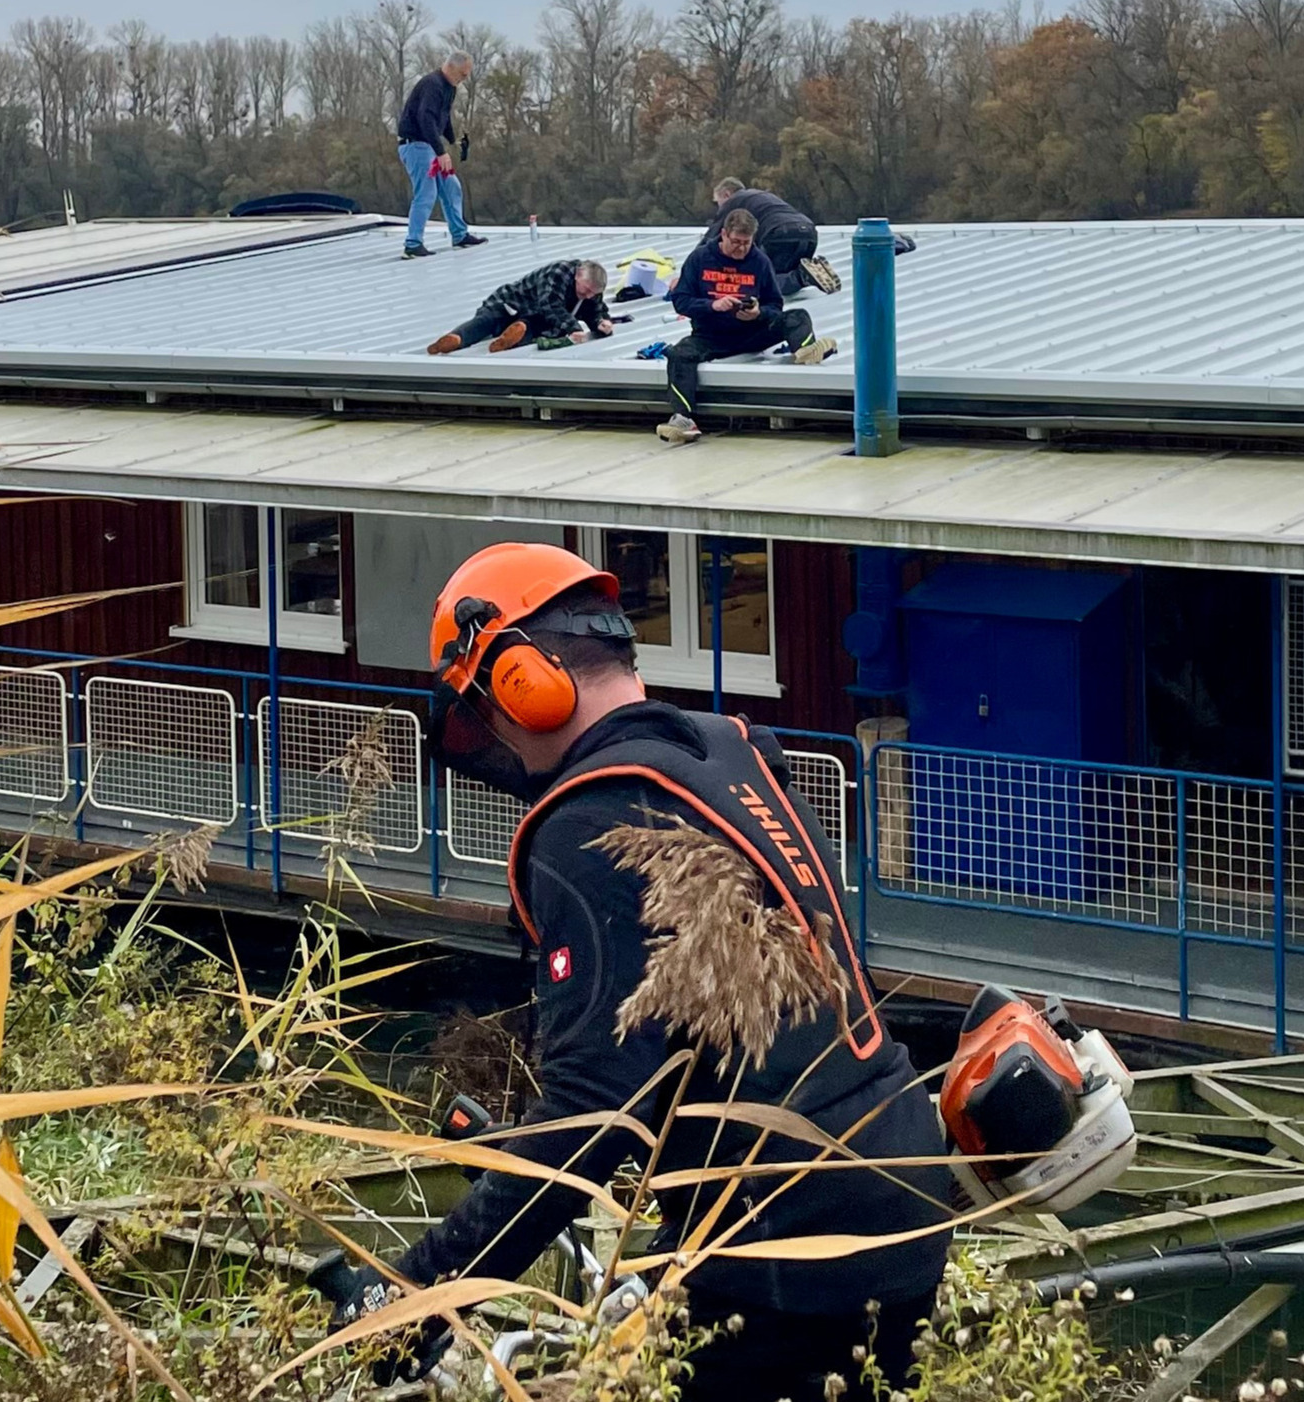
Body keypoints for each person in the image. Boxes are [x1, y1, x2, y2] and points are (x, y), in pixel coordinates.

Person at [330, 542, 953, 1401]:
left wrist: (416, 1299)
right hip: (898, 1186)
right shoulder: (732, 752)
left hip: (781, 1248)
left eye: (485, 709)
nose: (495, 739)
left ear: (521, 682)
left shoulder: (588, 821)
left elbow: (595, 1116)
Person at [658, 208, 836, 444]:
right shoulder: (700, 259)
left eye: (746, 243)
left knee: (798, 316)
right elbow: (680, 300)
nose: (741, 248)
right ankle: (683, 418)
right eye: (735, 242)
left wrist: (757, 313)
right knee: (679, 354)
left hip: (752, 332)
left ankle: (806, 350)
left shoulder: (760, 261)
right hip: (711, 335)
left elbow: (775, 304)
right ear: (723, 234)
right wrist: (713, 305)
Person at [397, 52, 488, 259]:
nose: (463, 79)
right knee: (427, 192)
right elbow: (425, 119)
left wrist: (452, 140)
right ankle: (412, 244)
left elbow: (443, 117)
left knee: (451, 187)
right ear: (451, 68)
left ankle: (459, 234)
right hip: (416, 146)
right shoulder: (433, 85)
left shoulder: (449, 88)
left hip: (429, 145)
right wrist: (440, 152)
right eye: (462, 75)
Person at [426, 259, 614, 354]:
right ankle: (455, 339)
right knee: (488, 319)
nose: (588, 296)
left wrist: (601, 322)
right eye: (586, 290)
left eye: (593, 293)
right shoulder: (559, 273)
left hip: (531, 315)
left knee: (529, 327)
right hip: (510, 302)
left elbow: (595, 309)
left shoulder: (589, 290)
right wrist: (573, 328)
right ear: (578, 274)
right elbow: (550, 304)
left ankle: (508, 340)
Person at [704, 177, 840, 299]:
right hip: (808, 232)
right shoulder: (761, 197)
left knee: (761, 282)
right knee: (782, 276)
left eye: (718, 202)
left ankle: (802, 277)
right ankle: (807, 273)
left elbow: (712, 238)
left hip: (779, 233)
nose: (718, 207)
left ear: (726, 194)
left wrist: (692, 269)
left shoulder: (733, 202)